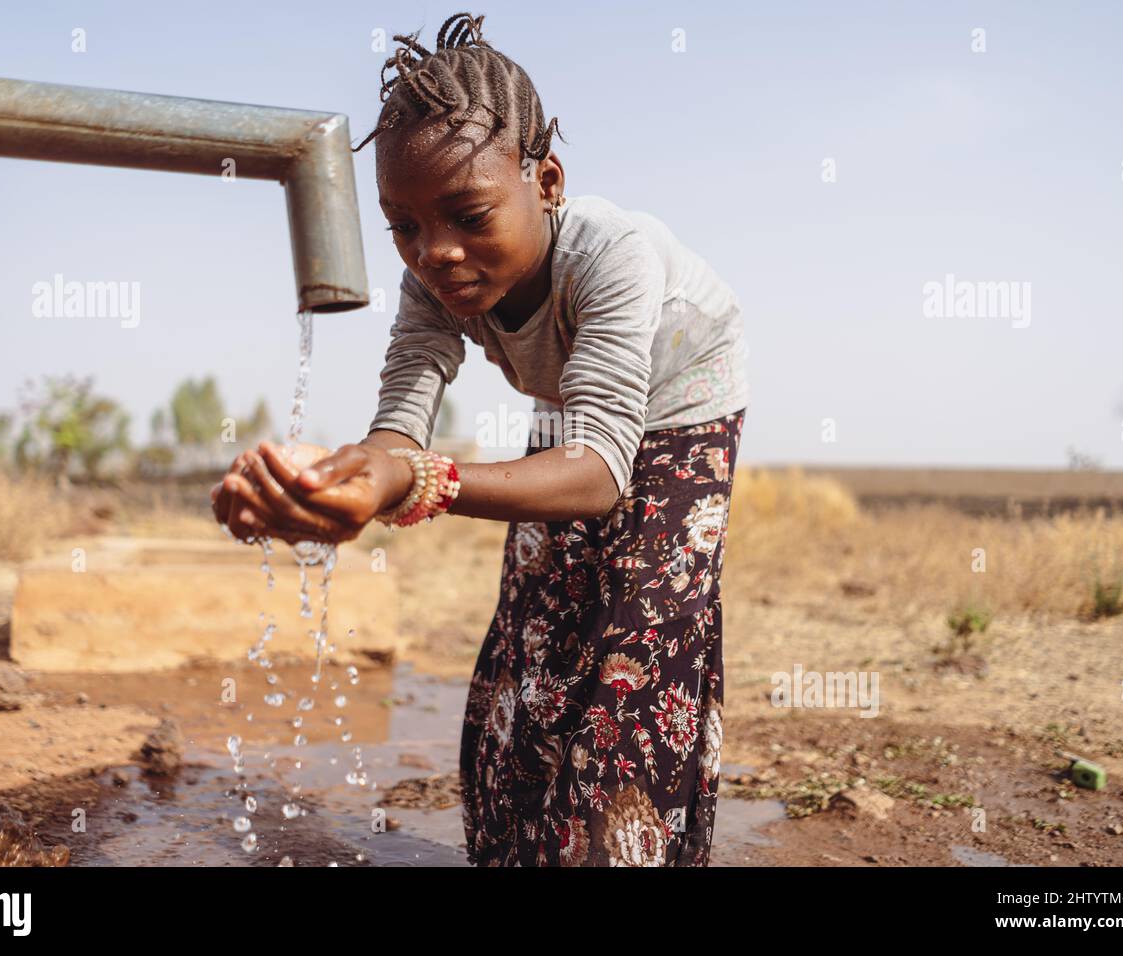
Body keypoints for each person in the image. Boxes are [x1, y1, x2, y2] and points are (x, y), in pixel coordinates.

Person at [210, 11, 748, 866]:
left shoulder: (616, 256)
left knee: (631, 651)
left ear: (548, 181)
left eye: (467, 214)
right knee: (534, 634)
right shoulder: (432, 276)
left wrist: (420, 484)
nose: (438, 253)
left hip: (680, 408)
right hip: (577, 407)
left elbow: (599, 473)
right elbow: (399, 426)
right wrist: (340, 476)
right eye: (405, 225)